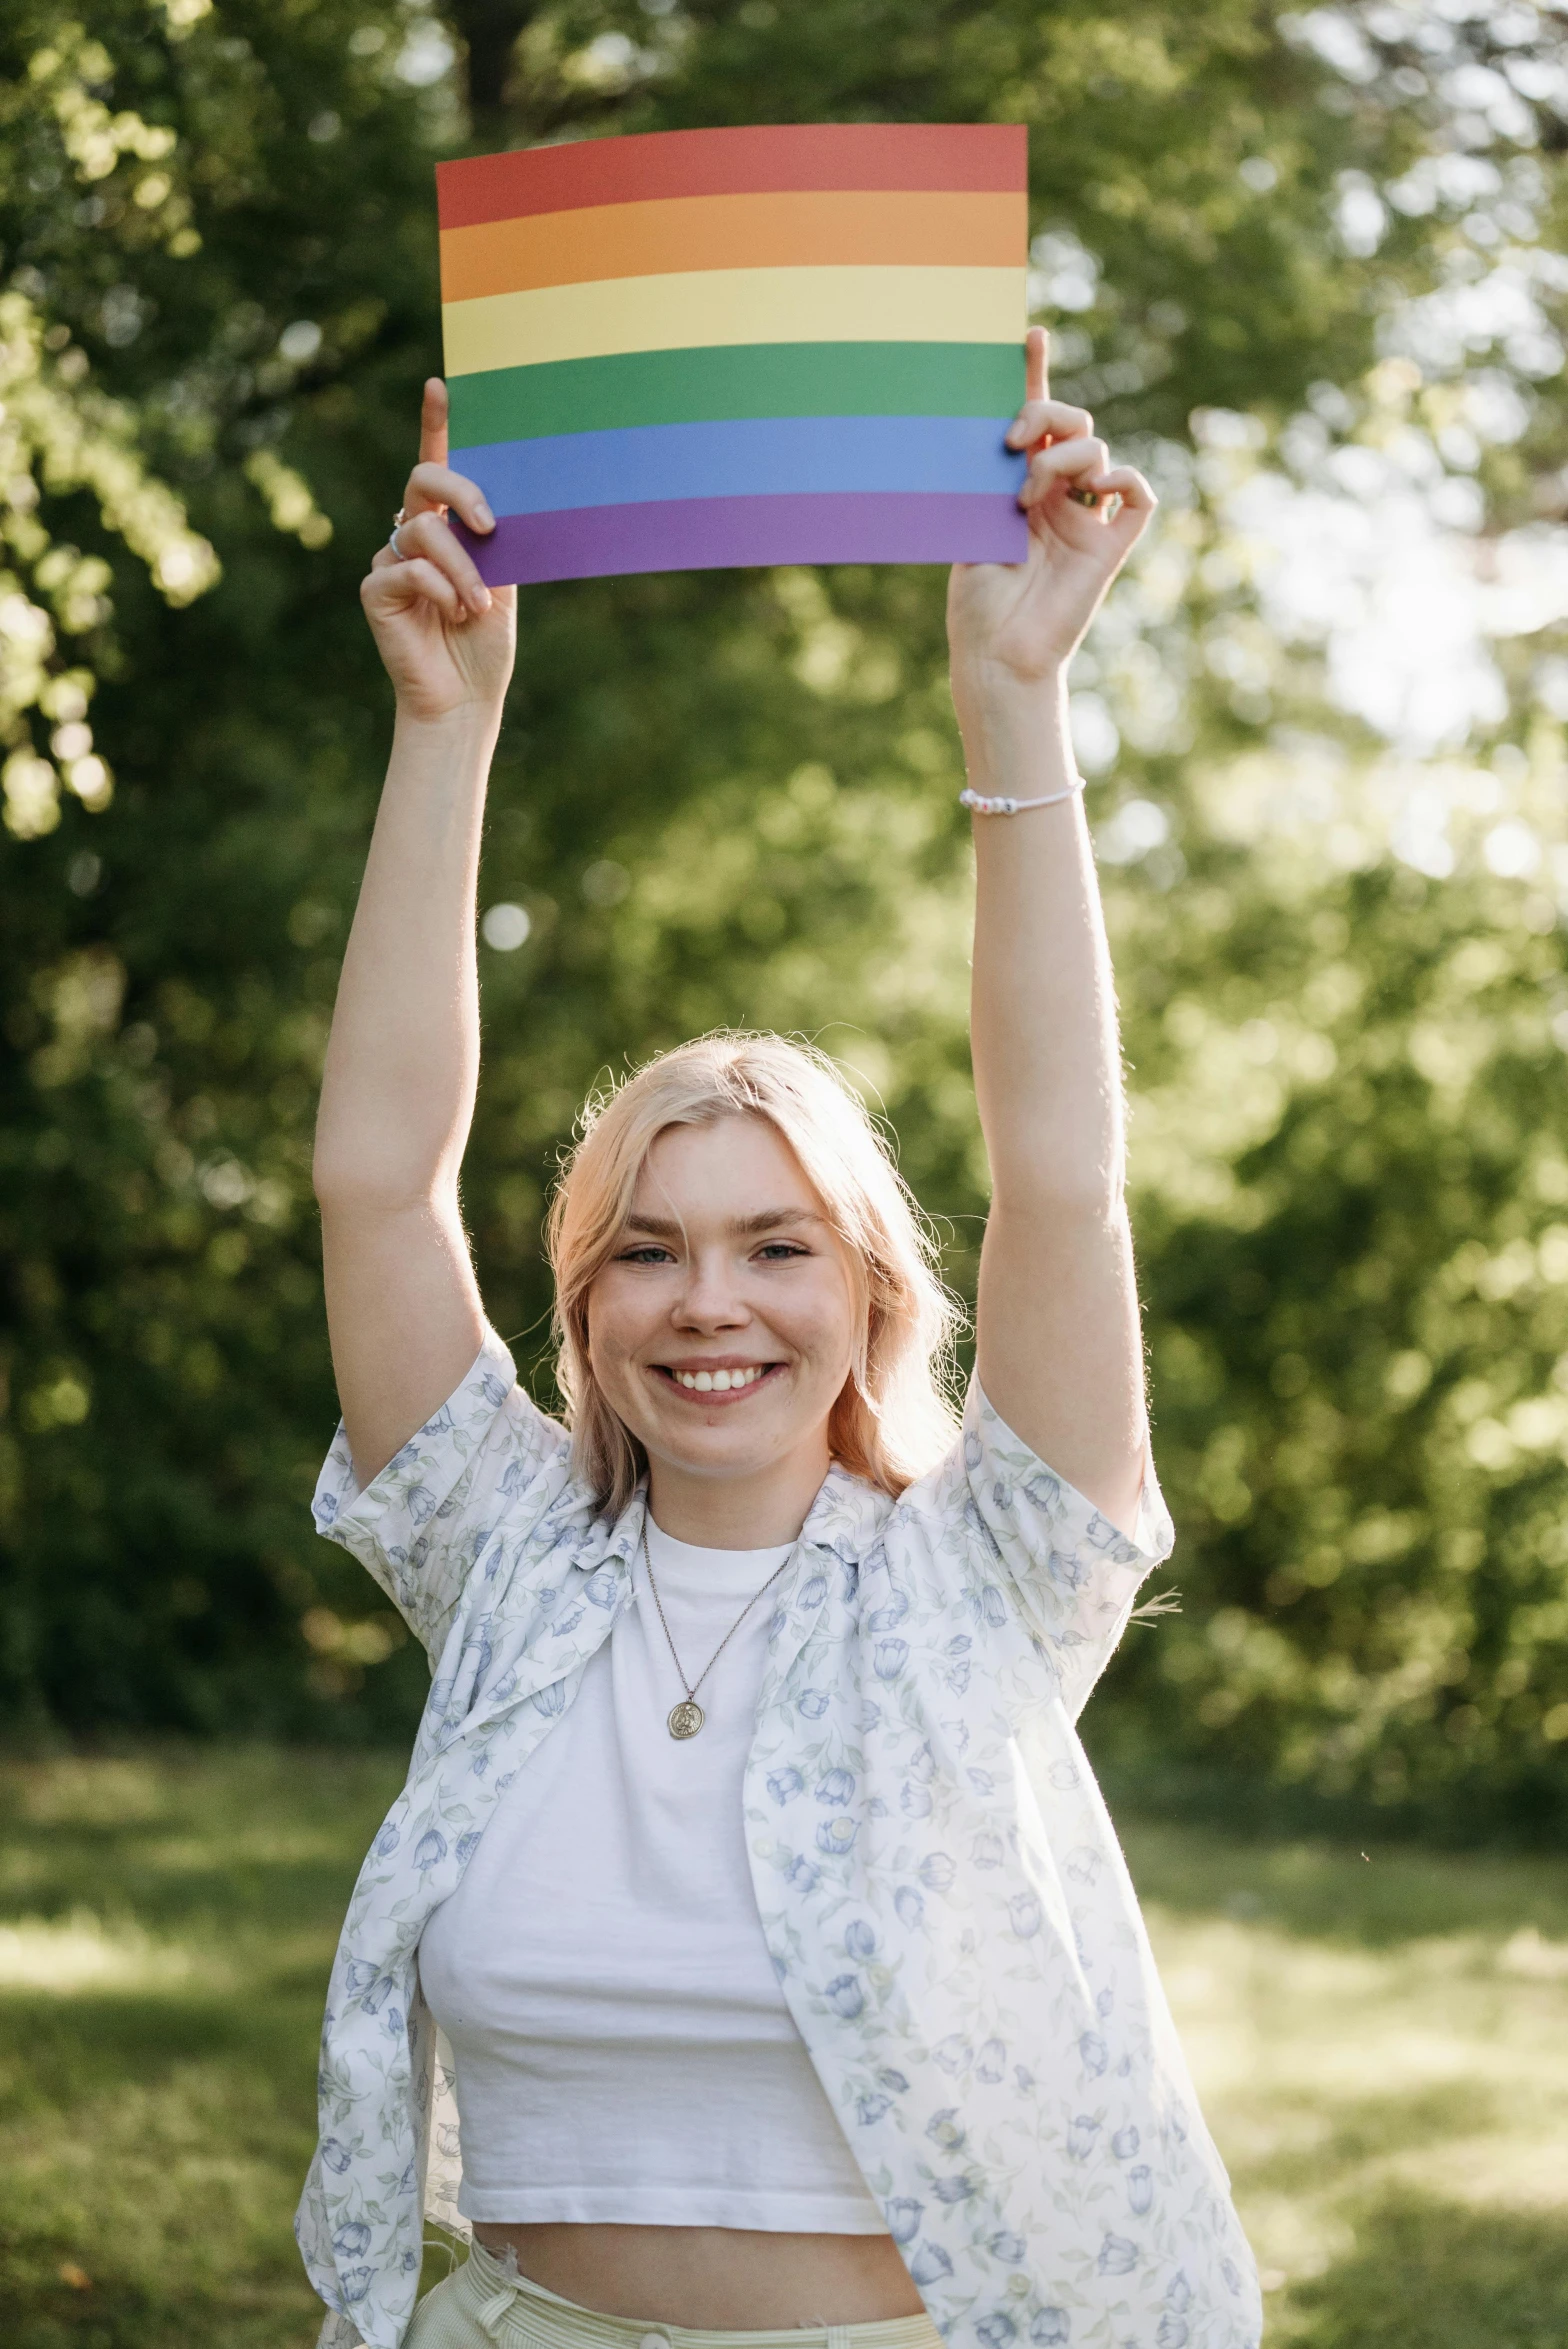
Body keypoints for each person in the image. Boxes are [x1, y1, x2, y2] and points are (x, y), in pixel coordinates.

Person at [297, 327, 1262, 2349]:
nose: (709, 1302)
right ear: (584, 1304)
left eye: (774, 1246)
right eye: (645, 1250)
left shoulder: (982, 1573)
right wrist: (444, 725)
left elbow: (1064, 1179)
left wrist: (1015, 703)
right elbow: (379, 1184)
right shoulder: (510, 1561)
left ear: (873, 1295)